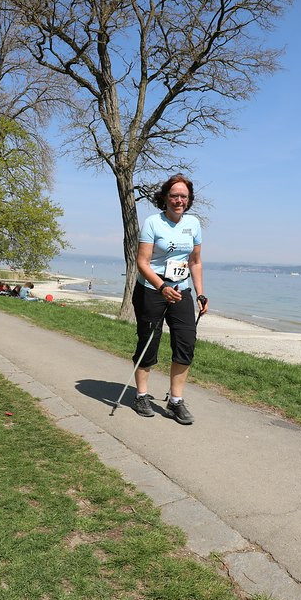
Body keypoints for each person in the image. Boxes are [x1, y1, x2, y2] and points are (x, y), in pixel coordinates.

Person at [131, 173, 208, 424]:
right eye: (174, 195)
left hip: (181, 290)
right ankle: (141, 395)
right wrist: (161, 286)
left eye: (183, 196)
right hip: (152, 290)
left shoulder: (194, 224)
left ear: (189, 199)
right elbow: (142, 262)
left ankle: (175, 401)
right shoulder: (154, 223)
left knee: (186, 342)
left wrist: (200, 293)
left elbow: (195, 262)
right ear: (165, 197)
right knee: (149, 343)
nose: (178, 200)